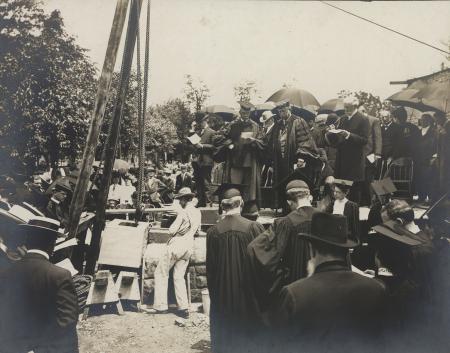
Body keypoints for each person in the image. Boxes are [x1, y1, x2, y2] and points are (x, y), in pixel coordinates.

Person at [271, 212, 386, 353]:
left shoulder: (294, 294)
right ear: (346, 251)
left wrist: (309, 281)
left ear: (312, 249)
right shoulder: (376, 288)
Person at [2, 218, 79, 353]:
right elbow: (67, 322)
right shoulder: (60, 275)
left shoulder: (6, 273)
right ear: (52, 244)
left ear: (27, 240)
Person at [206, 186, 264, 353]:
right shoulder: (254, 228)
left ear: (223, 206)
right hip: (248, 292)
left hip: (222, 292)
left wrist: (215, 293)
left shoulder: (213, 232)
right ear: (242, 204)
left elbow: (211, 268)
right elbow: (262, 263)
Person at [248, 180, 316, 313]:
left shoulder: (284, 223)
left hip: (296, 286)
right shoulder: (327, 219)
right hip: (323, 285)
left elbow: (255, 249)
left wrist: (282, 274)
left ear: (289, 202)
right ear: (309, 197)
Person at [150, 187, 201, 318]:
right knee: (179, 277)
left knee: (161, 272)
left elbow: (172, 231)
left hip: (177, 244)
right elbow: (197, 230)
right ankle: (183, 307)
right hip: (189, 246)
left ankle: (161, 306)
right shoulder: (198, 212)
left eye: (180, 199)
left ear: (185, 199)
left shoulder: (183, 212)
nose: (179, 202)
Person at [265, 100, 320, 211]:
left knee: (293, 184)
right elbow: (270, 143)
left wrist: (301, 157)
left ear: (289, 109)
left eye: (283, 110)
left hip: (293, 160)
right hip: (280, 161)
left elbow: (305, 140)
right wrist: (271, 161)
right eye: (279, 111)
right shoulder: (278, 124)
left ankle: (294, 209)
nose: (281, 113)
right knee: (281, 183)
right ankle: (284, 208)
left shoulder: (298, 121)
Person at [220, 102, 265, 205]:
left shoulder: (255, 126)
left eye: (247, 113)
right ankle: (235, 204)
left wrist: (254, 141)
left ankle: (248, 205)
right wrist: (230, 145)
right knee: (235, 184)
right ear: (240, 112)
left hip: (249, 160)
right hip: (235, 159)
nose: (245, 114)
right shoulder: (232, 124)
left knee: (249, 185)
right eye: (244, 112)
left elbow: (262, 140)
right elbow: (224, 137)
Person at [331, 96, 370, 204]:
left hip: (354, 161)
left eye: (348, 107)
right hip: (342, 160)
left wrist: (349, 135)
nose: (346, 110)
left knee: (353, 190)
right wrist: (333, 132)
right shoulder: (343, 118)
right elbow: (338, 138)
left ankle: (353, 214)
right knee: (341, 188)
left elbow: (364, 140)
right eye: (345, 107)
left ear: (355, 106)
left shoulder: (363, 119)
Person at [325, 179, 360, 244]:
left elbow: (355, 226)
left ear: (345, 193)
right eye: (334, 191)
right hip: (332, 235)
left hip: (346, 237)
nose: (335, 194)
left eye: (338, 192)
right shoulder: (332, 204)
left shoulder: (352, 206)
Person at [193, 115, 216, 207]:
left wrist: (203, 146)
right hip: (197, 161)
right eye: (199, 122)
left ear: (207, 121)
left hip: (207, 160)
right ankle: (201, 201)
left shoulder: (212, 132)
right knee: (198, 181)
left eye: (202, 121)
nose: (201, 124)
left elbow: (214, 146)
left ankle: (208, 201)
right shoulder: (198, 132)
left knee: (206, 181)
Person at [362, 111, 382, 206]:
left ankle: (372, 201)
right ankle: (362, 201)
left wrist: (377, 153)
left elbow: (378, 137)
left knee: (370, 178)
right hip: (358, 155)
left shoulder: (374, 120)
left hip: (370, 154)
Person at [416, 113, 437, 202]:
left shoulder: (434, 132)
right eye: (421, 119)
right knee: (419, 178)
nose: (422, 121)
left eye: (424, 119)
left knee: (429, 178)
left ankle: (431, 197)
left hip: (429, 159)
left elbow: (436, 145)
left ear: (429, 121)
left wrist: (434, 156)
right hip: (419, 159)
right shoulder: (418, 132)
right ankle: (421, 197)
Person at [378, 109, 402, 178]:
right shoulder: (380, 127)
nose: (384, 119)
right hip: (380, 156)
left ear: (390, 117)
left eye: (385, 117)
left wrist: (392, 157)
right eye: (382, 117)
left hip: (391, 157)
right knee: (378, 176)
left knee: (387, 177)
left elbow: (399, 144)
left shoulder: (398, 128)